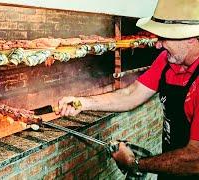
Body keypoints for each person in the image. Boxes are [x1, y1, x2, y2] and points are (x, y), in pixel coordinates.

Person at [57, 0, 199, 178]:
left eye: (164, 38)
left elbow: (195, 159)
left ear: (191, 38)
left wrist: (135, 163)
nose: (157, 45)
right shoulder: (165, 60)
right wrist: (83, 103)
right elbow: (131, 94)